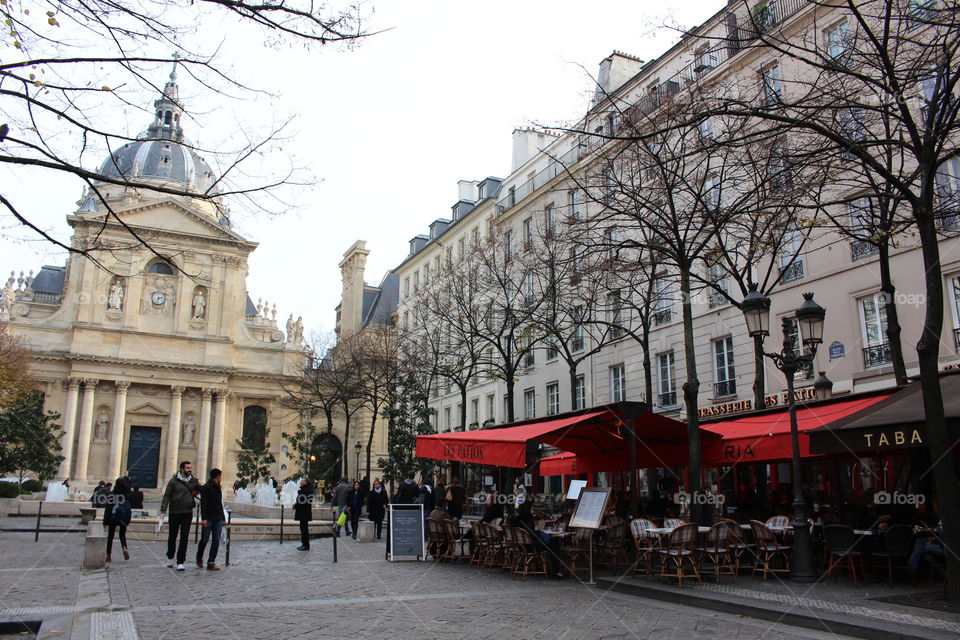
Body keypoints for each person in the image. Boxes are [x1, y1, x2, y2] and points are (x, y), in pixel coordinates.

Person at [159, 460, 200, 571]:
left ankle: (181, 561)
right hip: (174, 512)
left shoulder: (194, 481)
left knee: (184, 537)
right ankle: (170, 557)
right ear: (182, 469)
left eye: (190, 468)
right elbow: (167, 495)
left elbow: (201, 491)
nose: (190, 470)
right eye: (187, 468)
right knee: (172, 536)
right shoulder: (173, 481)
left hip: (187, 512)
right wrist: (163, 510)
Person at [509, 498, 565, 579]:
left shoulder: (516, 520)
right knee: (554, 544)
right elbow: (532, 534)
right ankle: (556, 571)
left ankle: (543, 567)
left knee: (552, 542)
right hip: (531, 546)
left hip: (520, 546)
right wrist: (540, 535)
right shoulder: (528, 519)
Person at [196, 468, 225, 570]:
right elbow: (204, 504)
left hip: (218, 518)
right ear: (217, 476)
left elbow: (220, 503)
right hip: (209, 518)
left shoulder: (218, 488)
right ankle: (199, 557)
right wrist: (204, 518)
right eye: (220, 476)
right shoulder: (206, 488)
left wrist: (223, 517)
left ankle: (211, 562)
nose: (221, 478)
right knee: (204, 539)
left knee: (216, 540)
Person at [104, 478, 132, 563]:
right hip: (124, 516)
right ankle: (124, 548)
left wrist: (105, 520)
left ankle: (108, 555)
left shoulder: (113, 493)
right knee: (122, 534)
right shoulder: (127, 493)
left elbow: (108, 507)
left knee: (111, 536)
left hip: (114, 516)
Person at [294, 477, 314, 550]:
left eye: (302, 481)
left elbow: (302, 500)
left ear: (306, 482)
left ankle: (305, 545)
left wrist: (296, 505)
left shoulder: (305, 490)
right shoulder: (307, 490)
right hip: (304, 512)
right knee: (304, 528)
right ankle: (304, 544)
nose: (300, 482)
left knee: (304, 529)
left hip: (303, 512)